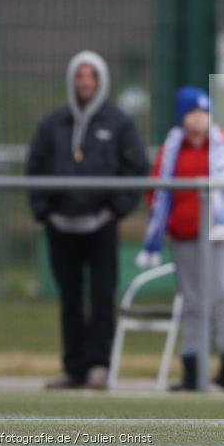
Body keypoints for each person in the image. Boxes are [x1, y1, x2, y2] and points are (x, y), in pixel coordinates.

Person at [26, 50, 149, 390]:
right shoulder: (53, 123)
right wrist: (44, 210)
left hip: (100, 224)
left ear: (100, 80)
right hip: (61, 225)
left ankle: (98, 365)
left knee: (102, 295)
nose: (85, 82)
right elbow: (35, 165)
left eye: (91, 76)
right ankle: (73, 367)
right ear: (72, 80)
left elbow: (137, 167)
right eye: (80, 76)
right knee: (70, 298)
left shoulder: (119, 122)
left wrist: (117, 209)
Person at [138, 86, 224, 392]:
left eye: (204, 112)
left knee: (223, 298)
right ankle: (191, 368)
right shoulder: (172, 147)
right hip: (184, 235)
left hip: (217, 236)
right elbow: (157, 189)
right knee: (192, 302)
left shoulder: (223, 144)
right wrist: (169, 222)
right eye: (193, 113)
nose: (200, 118)